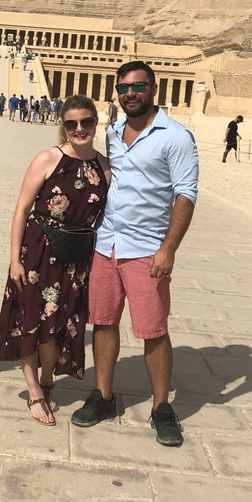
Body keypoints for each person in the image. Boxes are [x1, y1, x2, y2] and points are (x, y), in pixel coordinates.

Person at [71, 62, 199, 446]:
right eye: (124, 87)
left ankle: (162, 407)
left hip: (147, 249)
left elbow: (186, 194)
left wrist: (168, 248)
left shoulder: (176, 137)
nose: (130, 93)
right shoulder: (112, 132)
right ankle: (103, 396)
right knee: (103, 322)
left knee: (153, 331)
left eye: (138, 86)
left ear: (153, 89)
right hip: (106, 243)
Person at [0, 95, 110, 423]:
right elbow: (21, 210)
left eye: (86, 122)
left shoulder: (105, 167)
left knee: (61, 324)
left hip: (76, 259)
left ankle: (47, 379)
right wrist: (15, 259)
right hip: (39, 252)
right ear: (63, 125)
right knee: (30, 318)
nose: (79, 129)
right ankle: (34, 390)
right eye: (71, 123)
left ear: (95, 122)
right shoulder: (47, 159)